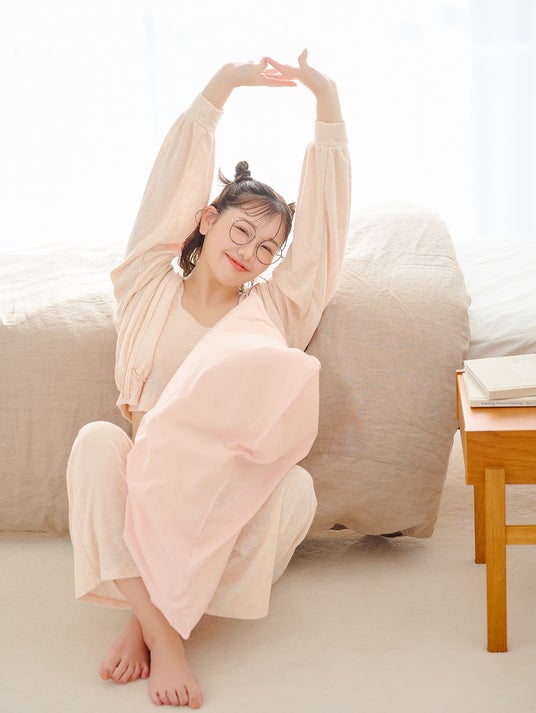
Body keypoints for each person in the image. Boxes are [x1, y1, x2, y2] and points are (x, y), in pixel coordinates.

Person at [66, 50, 351, 709]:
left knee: (294, 488)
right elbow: (166, 191)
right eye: (241, 230)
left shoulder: (273, 312)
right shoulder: (146, 285)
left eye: (265, 249)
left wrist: (327, 103)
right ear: (206, 220)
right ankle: (165, 636)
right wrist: (224, 86)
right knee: (94, 442)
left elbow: (323, 240)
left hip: (215, 499)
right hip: (147, 485)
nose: (248, 252)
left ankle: (142, 620)